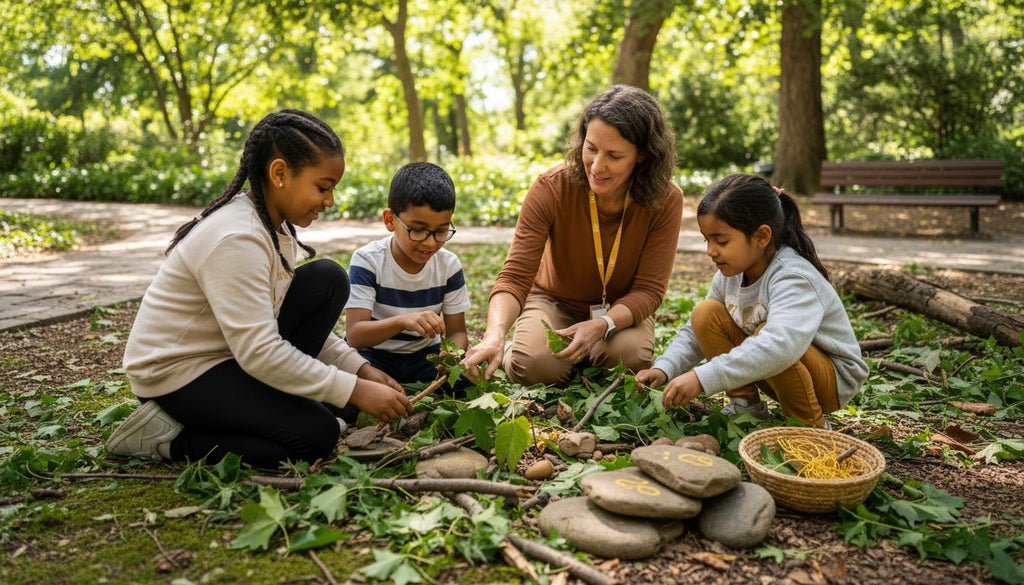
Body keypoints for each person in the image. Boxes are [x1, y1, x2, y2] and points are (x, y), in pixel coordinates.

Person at [106, 109, 413, 468]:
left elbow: (274, 317)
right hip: (177, 374)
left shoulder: (273, 226)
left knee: (327, 280)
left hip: (228, 356)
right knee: (317, 435)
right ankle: (167, 438)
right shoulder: (237, 237)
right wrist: (355, 389)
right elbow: (260, 352)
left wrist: (360, 371)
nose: (329, 201)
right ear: (280, 173)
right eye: (323, 187)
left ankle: (264, 405)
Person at [462, 85, 683, 386]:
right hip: (553, 302)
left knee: (628, 361)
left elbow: (649, 290)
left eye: (614, 155)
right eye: (591, 148)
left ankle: (591, 349)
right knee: (537, 369)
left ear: (642, 155)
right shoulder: (551, 188)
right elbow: (515, 275)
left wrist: (603, 325)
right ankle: (527, 350)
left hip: (620, 308)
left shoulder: (666, 200)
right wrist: (495, 334)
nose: (597, 165)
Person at [635, 174, 869, 428]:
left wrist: (702, 379)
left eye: (721, 240)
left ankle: (809, 427)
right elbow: (695, 333)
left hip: (831, 380)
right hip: (778, 368)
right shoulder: (731, 273)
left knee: (766, 334)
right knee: (706, 313)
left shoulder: (793, 277)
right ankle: (746, 408)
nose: (711, 251)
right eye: (707, 240)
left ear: (761, 236)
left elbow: (780, 346)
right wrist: (665, 368)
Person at [343, 162, 471, 393]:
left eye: (441, 231)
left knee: (467, 380)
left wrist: (451, 356)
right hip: (373, 355)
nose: (431, 242)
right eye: (418, 229)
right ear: (390, 220)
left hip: (425, 358)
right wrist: (403, 321)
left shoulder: (448, 265)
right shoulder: (368, 261)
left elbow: (457, 332)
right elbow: (355, 335)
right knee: (347, 386)